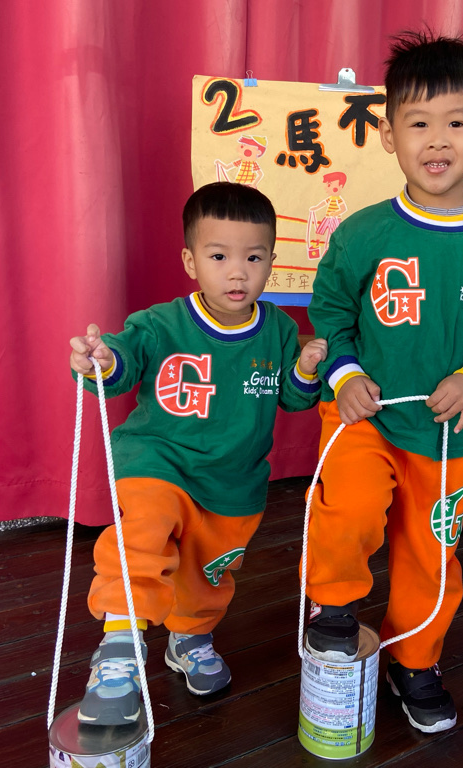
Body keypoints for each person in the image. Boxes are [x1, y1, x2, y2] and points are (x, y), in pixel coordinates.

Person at [303, 31, 463, 734]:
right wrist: (343, 375)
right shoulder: (362, 234)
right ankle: (334, 603)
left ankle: (414, 660)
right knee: (351, 507)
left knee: (430, 555)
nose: (438, 141)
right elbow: (329, 312)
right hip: (363, 417)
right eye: (419, 123)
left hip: (447, 435)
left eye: (457, 123)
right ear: (388, 135)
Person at [68, 181, 327, 726]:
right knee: (144, 530)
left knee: (207, 574)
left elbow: (295, 399)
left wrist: (305, 370)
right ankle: (119, 645)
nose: (238, 273)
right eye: (219, 256)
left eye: (253, 258)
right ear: (191, 261)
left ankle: (189, 637)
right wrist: (102, 360)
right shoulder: (159, 323)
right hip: (157, 461)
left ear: (272, 262)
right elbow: (121, 365)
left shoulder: (280, 330)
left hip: (233, 484)